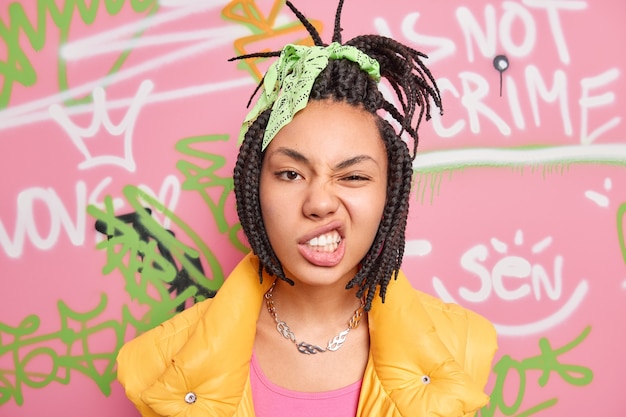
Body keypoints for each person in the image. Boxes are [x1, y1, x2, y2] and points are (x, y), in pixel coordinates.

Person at [116, 1, 498, 416]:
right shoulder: (163, 362)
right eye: (290, 174)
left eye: (352, 177)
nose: (319, 203)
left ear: (390, 195)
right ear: (252, 186)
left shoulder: (460, 346)